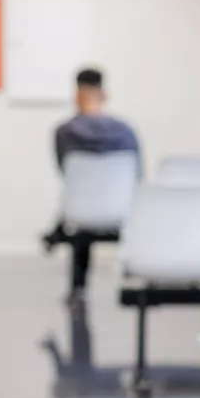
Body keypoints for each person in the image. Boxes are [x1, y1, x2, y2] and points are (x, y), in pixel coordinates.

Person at [43, 68, 142, 280]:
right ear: (105, 95)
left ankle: (77, 291)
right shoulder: (126, 131)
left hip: (80, 211)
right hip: (120, 209)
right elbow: (138, 175)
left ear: (76, 96)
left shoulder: (64, 132)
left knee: (81, 216)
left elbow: (65, 172)